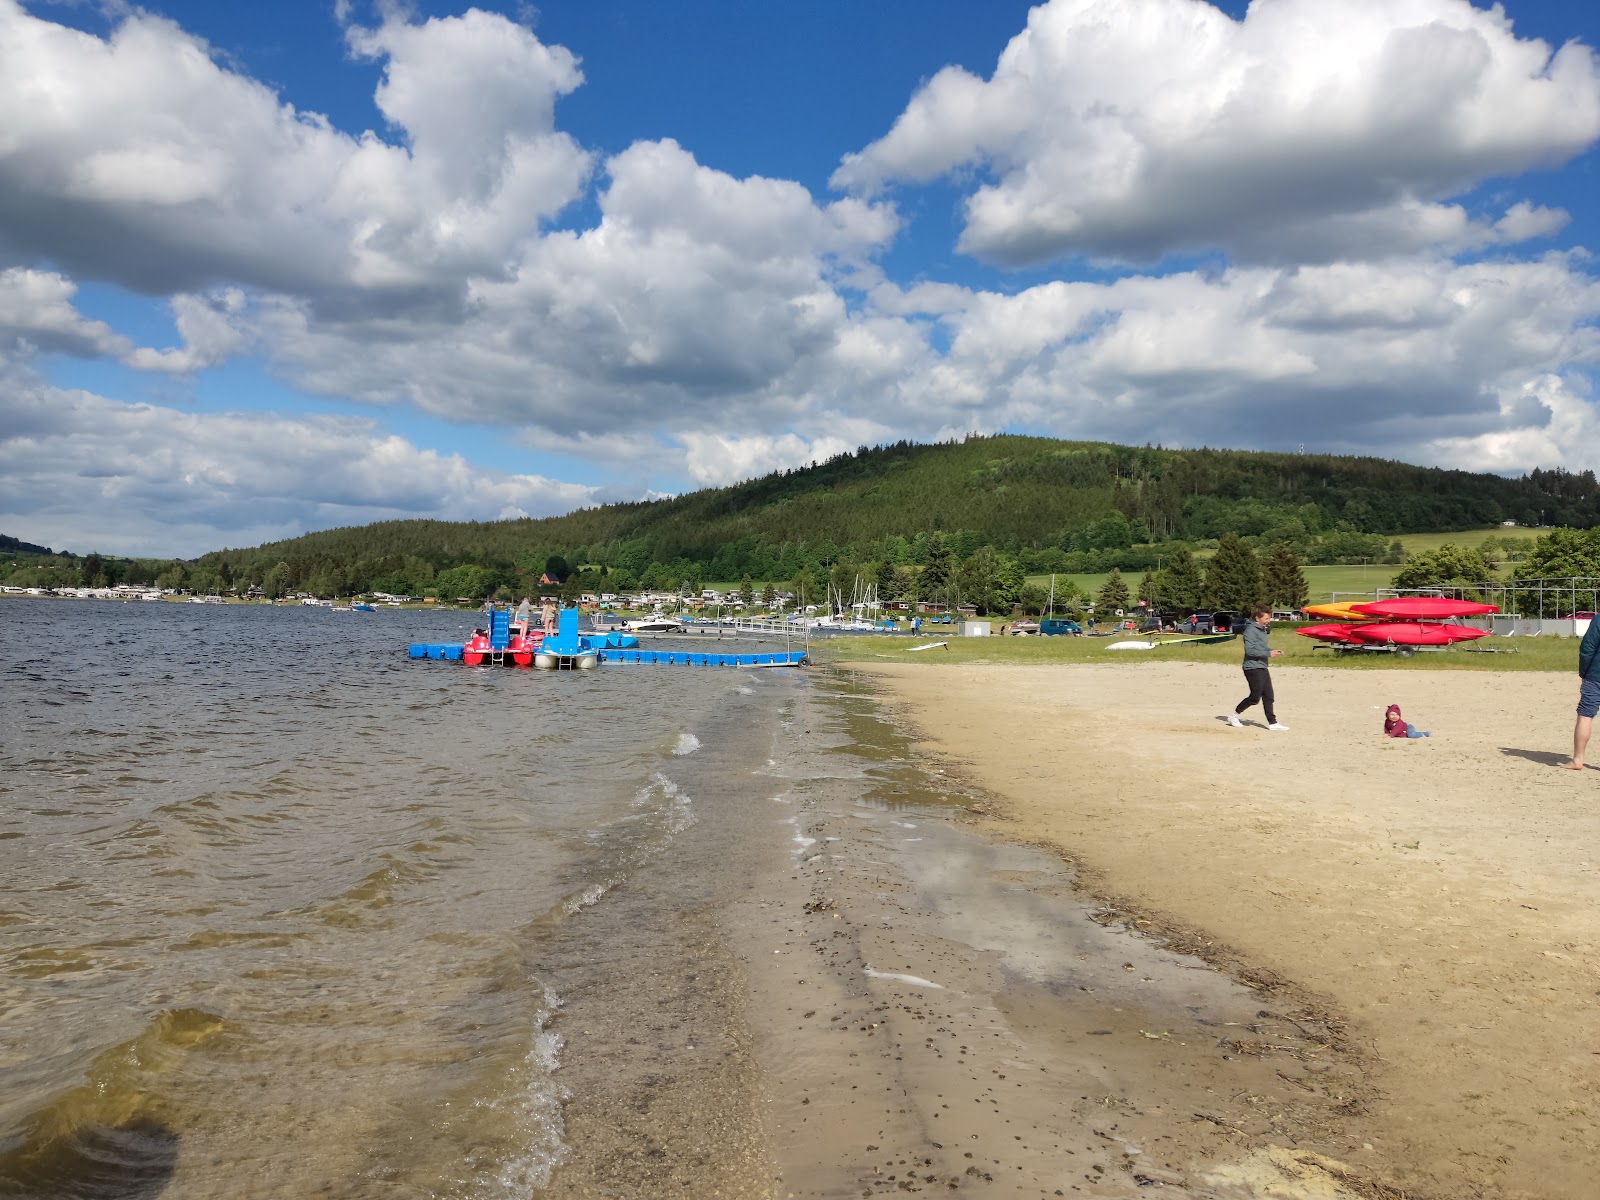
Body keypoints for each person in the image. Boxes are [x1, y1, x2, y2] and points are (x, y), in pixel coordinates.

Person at [1226, 606, 1288, 731]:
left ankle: (1273, 723)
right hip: (1252, 667)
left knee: (1269, 696)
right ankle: (1233, 716)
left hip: (1262, 665)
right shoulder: (1250, 630)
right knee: (1255, 697)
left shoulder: (1262, 630)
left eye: (1269, 618)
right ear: (1257, 618)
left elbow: (1260, 647)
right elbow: (1250, 651)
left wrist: (1271, 650)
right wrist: (1268, 654)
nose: (1268, 620)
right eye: (1266, 618)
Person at [1563, 615, 1600, 769]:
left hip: (1596, 675)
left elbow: (1587, 648)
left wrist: (1583, 673)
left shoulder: (1599, 620)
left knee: (1585, 716)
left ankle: (1577, 759)